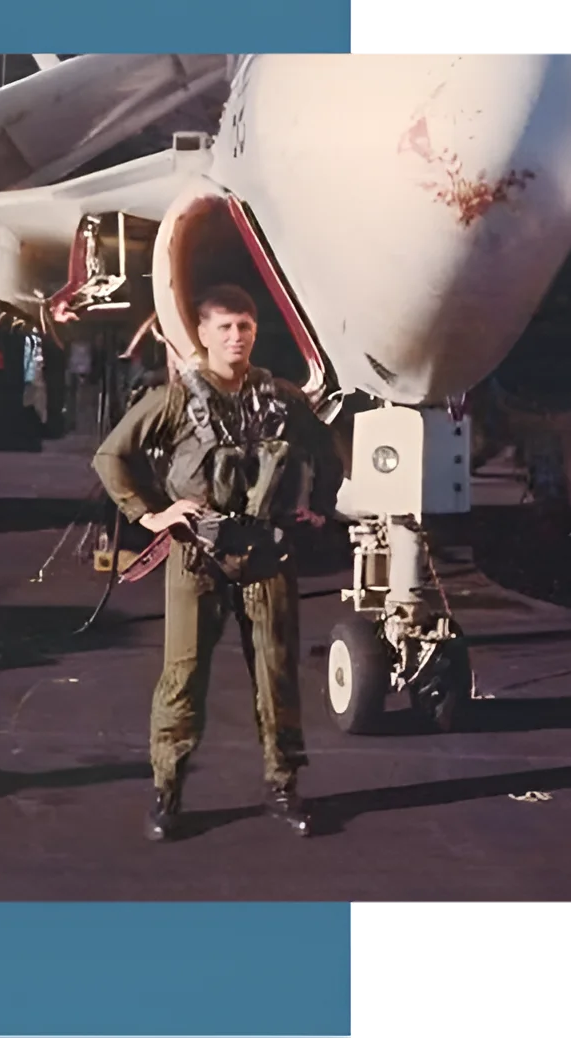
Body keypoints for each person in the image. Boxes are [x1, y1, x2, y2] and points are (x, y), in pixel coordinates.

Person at [92, 284, 342, 842]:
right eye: (224, 328)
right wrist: (151, 515)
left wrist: (319, 509)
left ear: (255, 333)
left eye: (245, 327)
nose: (235, 337)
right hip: (197, 554)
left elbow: (328, 452)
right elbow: (111, 456)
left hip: (267, 553)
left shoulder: (279, 398)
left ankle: (283, 785)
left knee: (277, 673)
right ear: (202, 334)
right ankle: (169, 790)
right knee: (183, 676)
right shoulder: (176, 397)